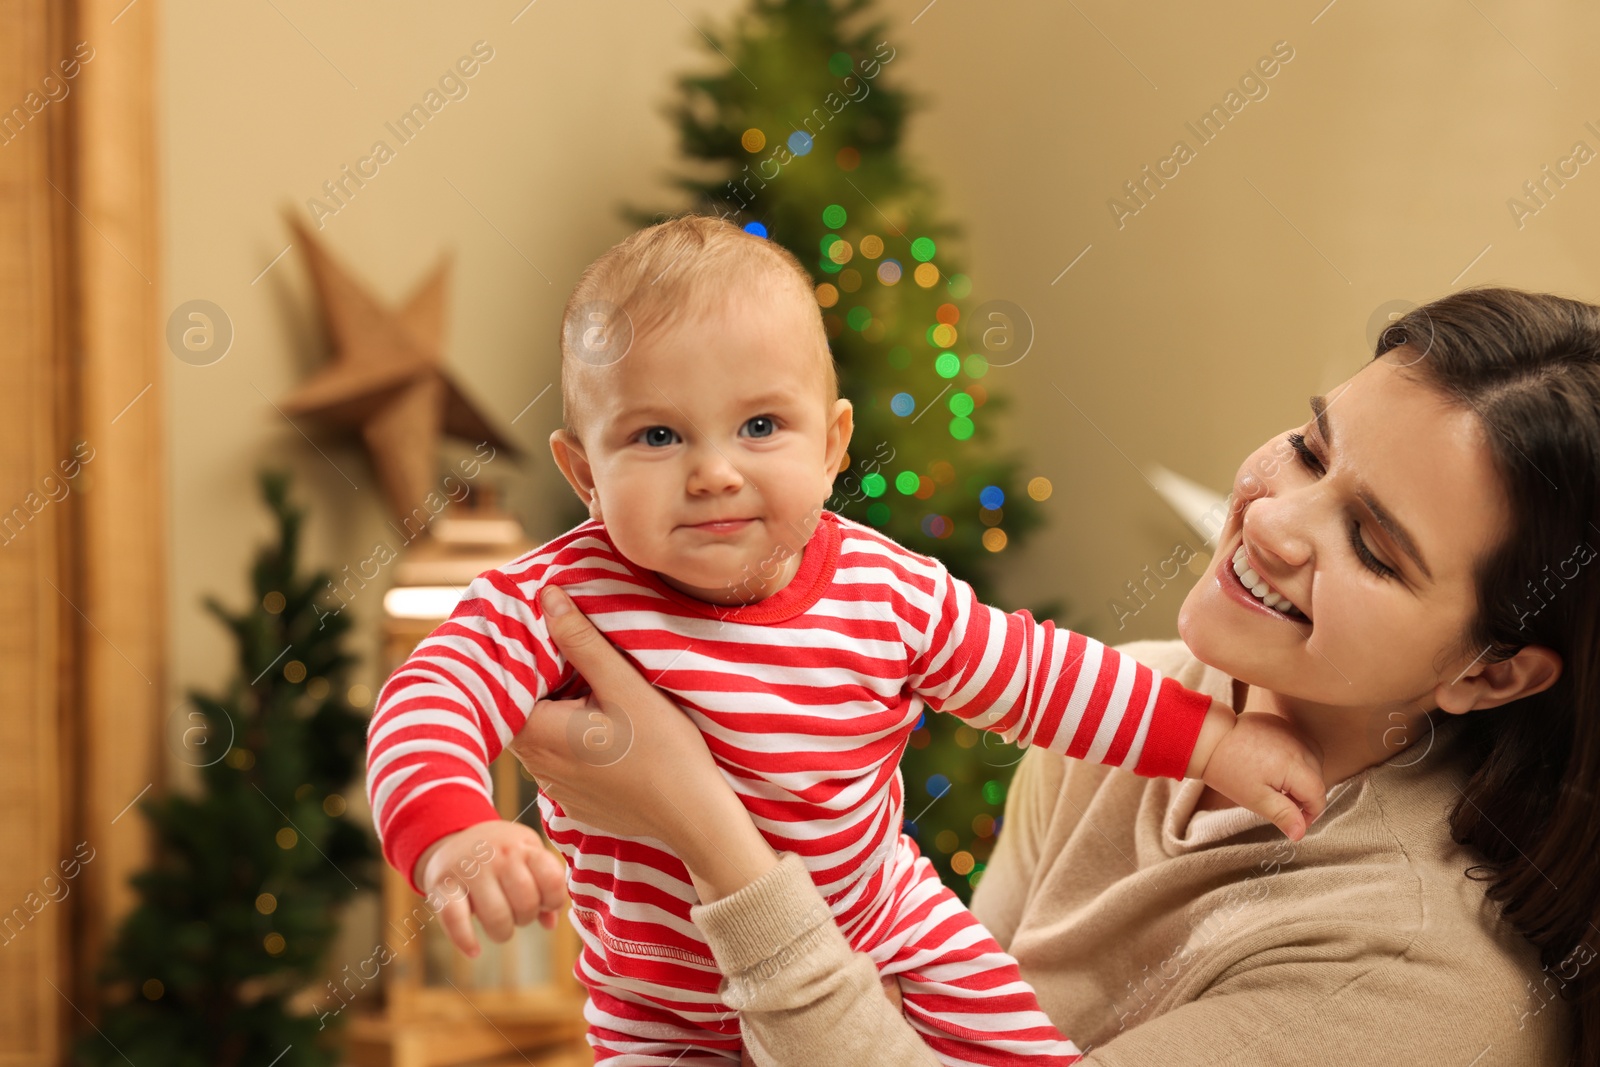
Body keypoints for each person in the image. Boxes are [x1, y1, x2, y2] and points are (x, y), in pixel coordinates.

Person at [508, 287, 1598, 1065]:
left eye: (1371, 544)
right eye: (1311, 450)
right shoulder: (1133, 701)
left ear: (1492, 672)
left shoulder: (1412, 988)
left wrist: (706, 828)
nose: (1271, 519)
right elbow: (937, 1022)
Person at [363, 215, 1326, 1064]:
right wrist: (454, 833)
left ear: (830, 444)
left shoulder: (887, 592)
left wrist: (1214, 742)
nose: (712, 473)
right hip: (657, 1009)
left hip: (888, 933)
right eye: (656, 437)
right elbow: (427, 696)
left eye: (760, 426)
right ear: (584, 472)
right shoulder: (557, 599)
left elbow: (1045, 677)